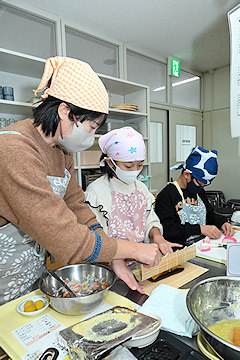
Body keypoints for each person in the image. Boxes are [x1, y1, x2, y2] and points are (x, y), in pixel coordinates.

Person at [0, 57, 161, 305]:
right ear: (65, 112)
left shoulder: (60, 149)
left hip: (33, 270)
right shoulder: (14, 148)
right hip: (5, 273)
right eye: (91, 127)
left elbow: (77, 207)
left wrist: (113, 258)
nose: (92, 137)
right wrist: (134, 249)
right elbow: (67, 239)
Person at [84, 127, 182, 293]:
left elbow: (150, 219)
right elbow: (95, 236)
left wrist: (157, 236)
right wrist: (116, 259)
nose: (135, 171)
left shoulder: (141, 188)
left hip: (140, 263)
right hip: (108, 267)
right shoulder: (96, 191)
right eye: (128, 166)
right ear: (110, 162)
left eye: (140, 165)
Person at [155, 146, 234, 245]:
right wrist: (199, 229)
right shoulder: (167, 195)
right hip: (178, 248)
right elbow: (168, 230)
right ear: (187, 174)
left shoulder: (199, 192)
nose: (201, 187)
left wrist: (223, 222)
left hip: (201, 244)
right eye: (199, 184)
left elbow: (209, 214)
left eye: (204, 185)